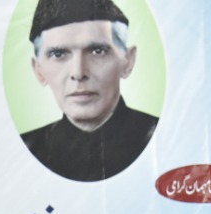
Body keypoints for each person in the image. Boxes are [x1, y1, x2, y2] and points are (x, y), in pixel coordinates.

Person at [19, 0, 158, 182]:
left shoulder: (160, 138)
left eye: (97, 51)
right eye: (59, 54)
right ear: (39, 71)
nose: (78, 73)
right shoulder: (25, 151)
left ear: (127, 62)